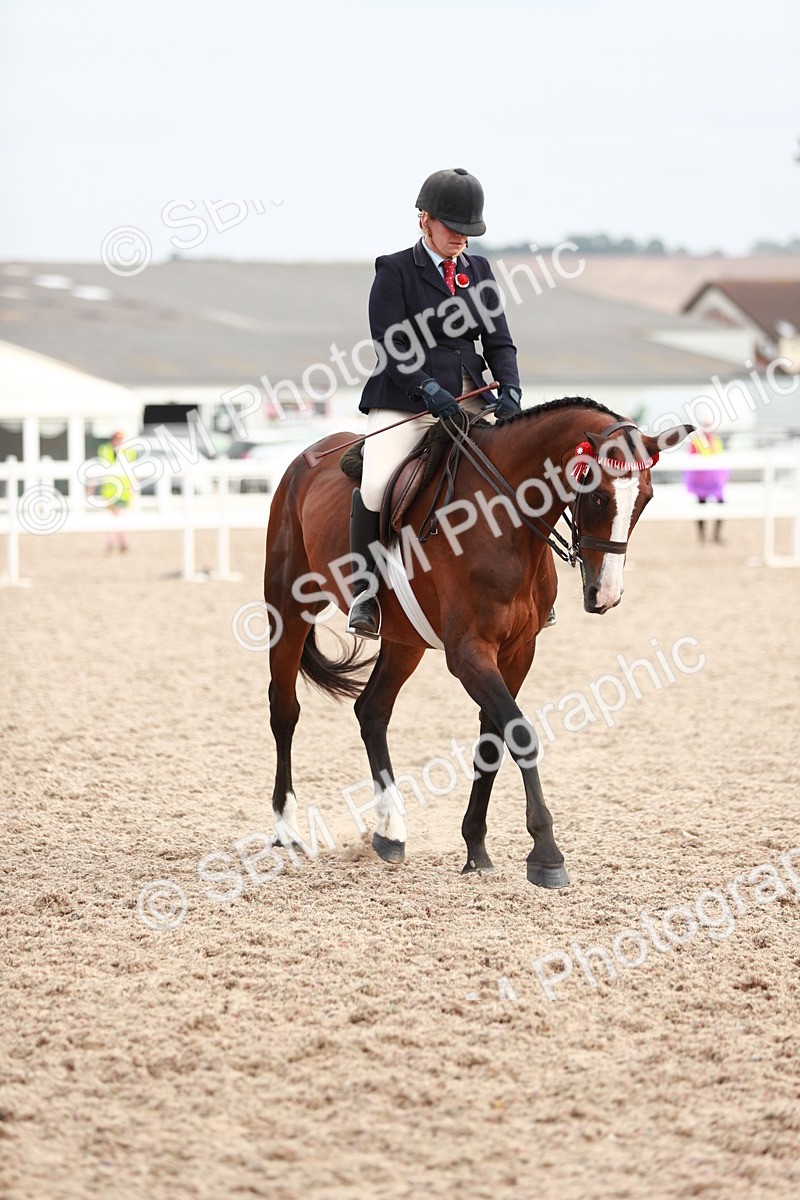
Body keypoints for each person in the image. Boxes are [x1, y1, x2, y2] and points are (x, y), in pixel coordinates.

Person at [347, 167, 523, 639]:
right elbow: (391, 344)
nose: (461, 238)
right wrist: (426, 388)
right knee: (376, 485)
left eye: (469, 231)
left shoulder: (479, 271)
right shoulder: (395, 270)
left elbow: (499, 341)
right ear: (424, 219)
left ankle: (529, 588)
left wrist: (511, 389)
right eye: (453, 228)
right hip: (406, 399)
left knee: (516, 471)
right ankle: (365, 593)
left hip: (470, 396)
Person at [684, 420, 729, 544]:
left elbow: (720, 459)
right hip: (702, 482)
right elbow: (692, 461)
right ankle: (702, 537)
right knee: (701, 507)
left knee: (720, 505)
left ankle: (716, 535)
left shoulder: (716, 441)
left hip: (714, 482)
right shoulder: (696, 442)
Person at [94, 430, 137, 552]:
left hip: (123, 489)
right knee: (114, 515)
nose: (118, 441)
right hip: (110, 489)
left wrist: (132, 485)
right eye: (117, 438)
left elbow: (132, 469)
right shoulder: (105, 449)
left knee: (119, 515)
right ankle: (120, 540)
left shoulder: (128, 451)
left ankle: (115, 540)